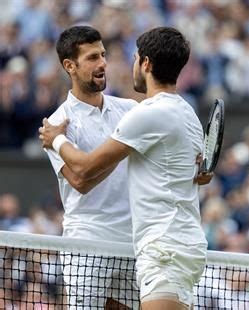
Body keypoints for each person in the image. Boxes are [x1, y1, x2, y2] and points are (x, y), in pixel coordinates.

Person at [42, 26, 212, 309]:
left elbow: (162, 153)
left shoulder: (132, 110)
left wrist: (192, 169)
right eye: (93, 57)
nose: (102, 63)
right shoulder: (59, 121)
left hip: (137, 243)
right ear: (70, 66)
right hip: (88, 244)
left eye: (103, 55)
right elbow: (81, 180)